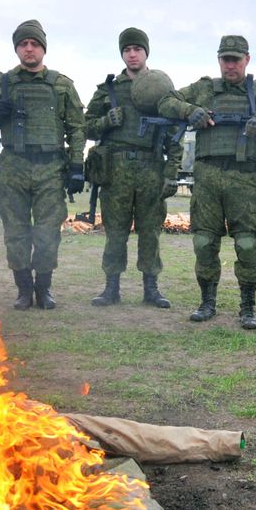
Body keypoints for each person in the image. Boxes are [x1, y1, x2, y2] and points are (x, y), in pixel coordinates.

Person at [161, 35, 256, 329]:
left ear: (247, 59)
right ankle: (207, 302)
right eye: (225, 59)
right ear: (219, 60)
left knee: (246, 243)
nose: (230, 65)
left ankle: (248, 306)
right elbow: (166, 101)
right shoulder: (203, 89)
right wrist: (189, 110)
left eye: (236, 59)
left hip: (244, 177)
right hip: (207, 176)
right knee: (204, 241)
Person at [0, 19, 85, 311]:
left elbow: (76, 128)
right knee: (16, 231)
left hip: (50, 167)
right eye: (23, 44)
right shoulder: (2, 83)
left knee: (48, 232)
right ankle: (23, 290)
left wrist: (76, 166)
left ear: (43, 48)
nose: (29, 49)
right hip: (14, 166)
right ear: (17, 48)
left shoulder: (62, 85)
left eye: (34, 44)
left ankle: (43, 288)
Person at [83, 27, 184, 308]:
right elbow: (86, 127)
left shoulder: (162, 90)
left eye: (137, 49)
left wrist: (171, 173)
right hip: (115, 170)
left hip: (151, 167)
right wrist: (106, 122)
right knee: (115, 231)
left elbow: (175, 136)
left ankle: (151, 288)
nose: (132, 54)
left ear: (146, 52)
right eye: (127, 50)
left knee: (150, 230)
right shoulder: (108, 90)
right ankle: (111, 288)